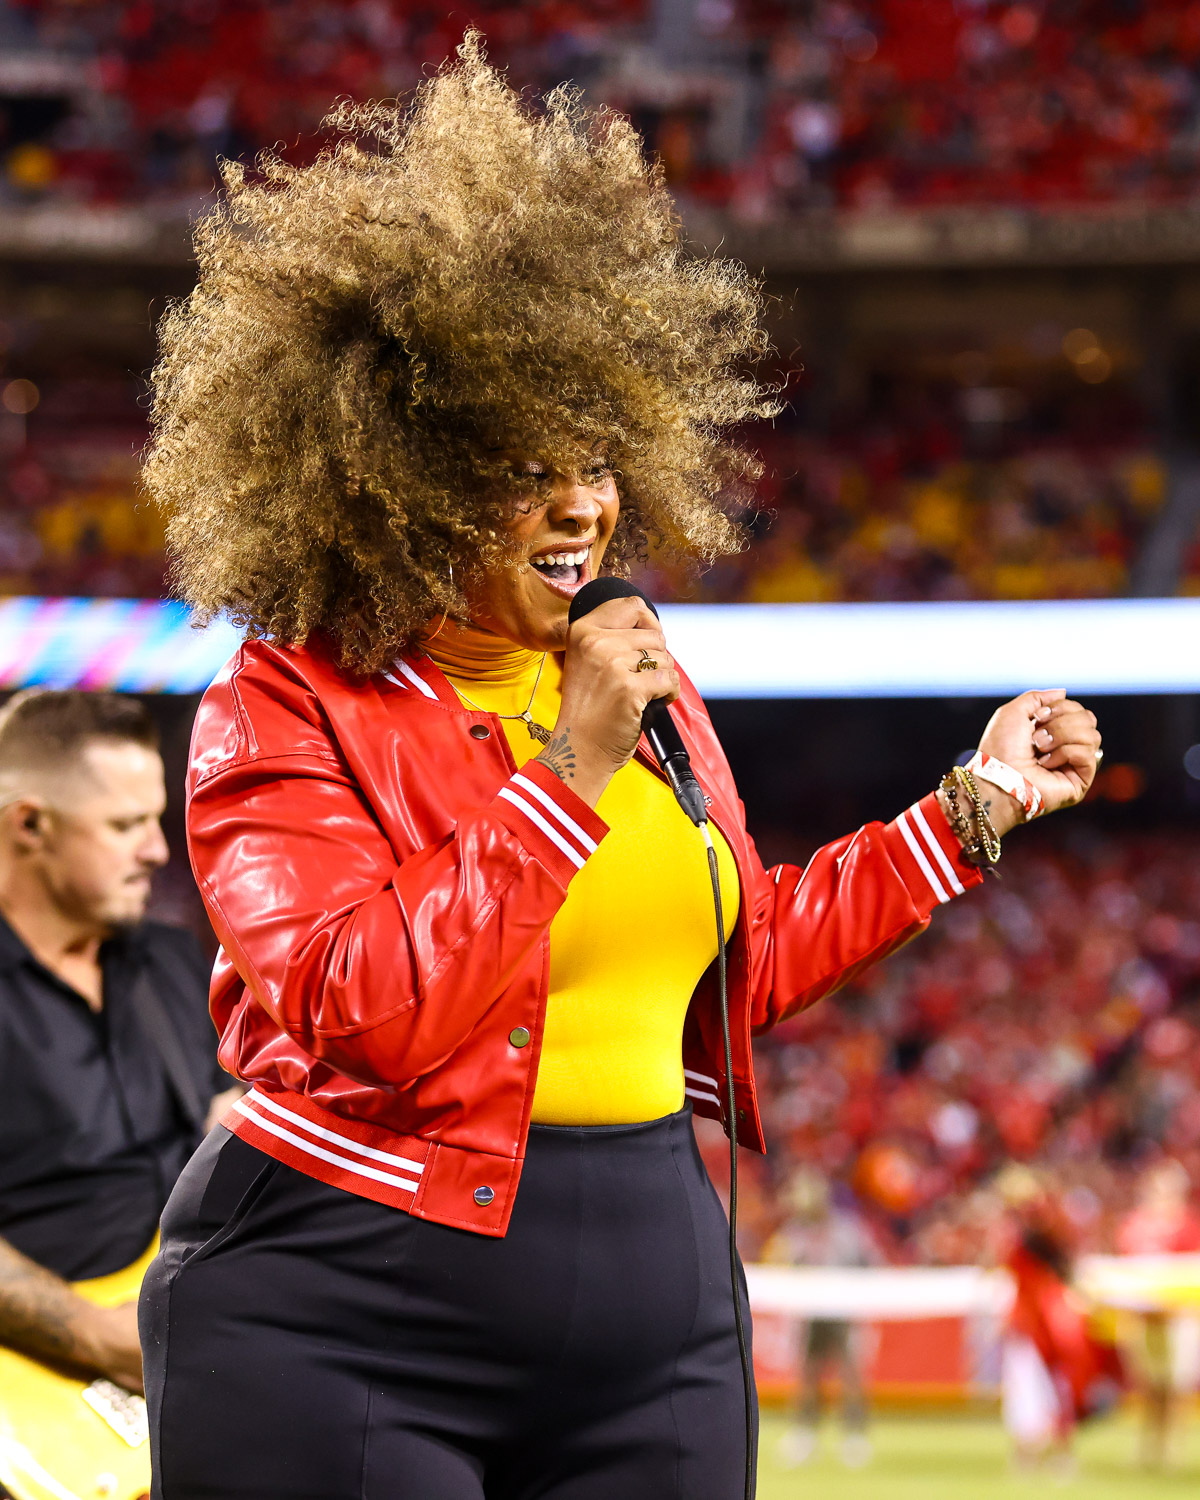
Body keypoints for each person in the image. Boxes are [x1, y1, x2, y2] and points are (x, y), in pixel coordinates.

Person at [139, 38, 1104, 1500]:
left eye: (592, 456)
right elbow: (362, 1009)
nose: (580, 499)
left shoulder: (641, 683)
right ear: (397, 480)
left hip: (654, 1303)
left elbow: (734, 960)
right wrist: (569, 773)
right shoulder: (281, 706)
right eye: (521, 463)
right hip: (337, 1302)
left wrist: (970, 808)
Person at [0, 690, 233, 1400]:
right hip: (36, 1389)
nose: (159, 851)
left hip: (186, 1348)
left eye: (157, 819)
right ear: (31, 825)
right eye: (127, 824)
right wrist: (98, 1338)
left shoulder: (170, 959)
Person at [765, 1169, 879, 1469]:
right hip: (809, 1313)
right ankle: (804, 1434)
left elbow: (870, 1263)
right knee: (807, 1375)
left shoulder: (847, 1230)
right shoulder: (794, 1232)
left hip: (844, 1312)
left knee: (850, 1374)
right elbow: (780, 1265)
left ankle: (854, 1436)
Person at [1116, 1158, 1200, 1467]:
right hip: (1144, 1319)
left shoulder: (1189, 1225)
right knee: (1148, 1385)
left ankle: (1172, 1449)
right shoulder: (1135, 1226)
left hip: (1178, 1318)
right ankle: (1149, 1446)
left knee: (1176, 1386)